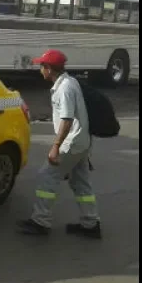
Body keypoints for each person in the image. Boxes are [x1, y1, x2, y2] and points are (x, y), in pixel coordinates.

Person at [16, 49, 100, 238]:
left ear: (49, 69)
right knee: (81, 184)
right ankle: (90, 223)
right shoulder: (71, 82)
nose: (40, 70)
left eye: (41, 66)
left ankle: (40, 221)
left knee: (47, 176)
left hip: (72, 142)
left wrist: (55, 147)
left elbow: (67, 119)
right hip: (82, 141)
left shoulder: (64, 89)